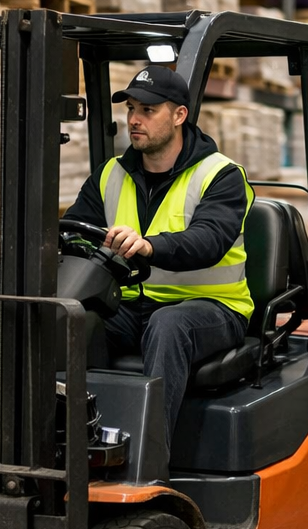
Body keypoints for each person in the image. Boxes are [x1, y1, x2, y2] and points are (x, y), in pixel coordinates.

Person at [64, 65, 254, 452]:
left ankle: (149, 464)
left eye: (148, 110)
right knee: (72, 322)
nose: (134, 119)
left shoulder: (220, 175)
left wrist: (150, 246)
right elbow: (74, 231)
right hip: (132, 307)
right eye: (132, 108)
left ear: (179, 115)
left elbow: (209, 240)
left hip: (213, 310)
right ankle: (70, 447)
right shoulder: (110, 175)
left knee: (169, 326)